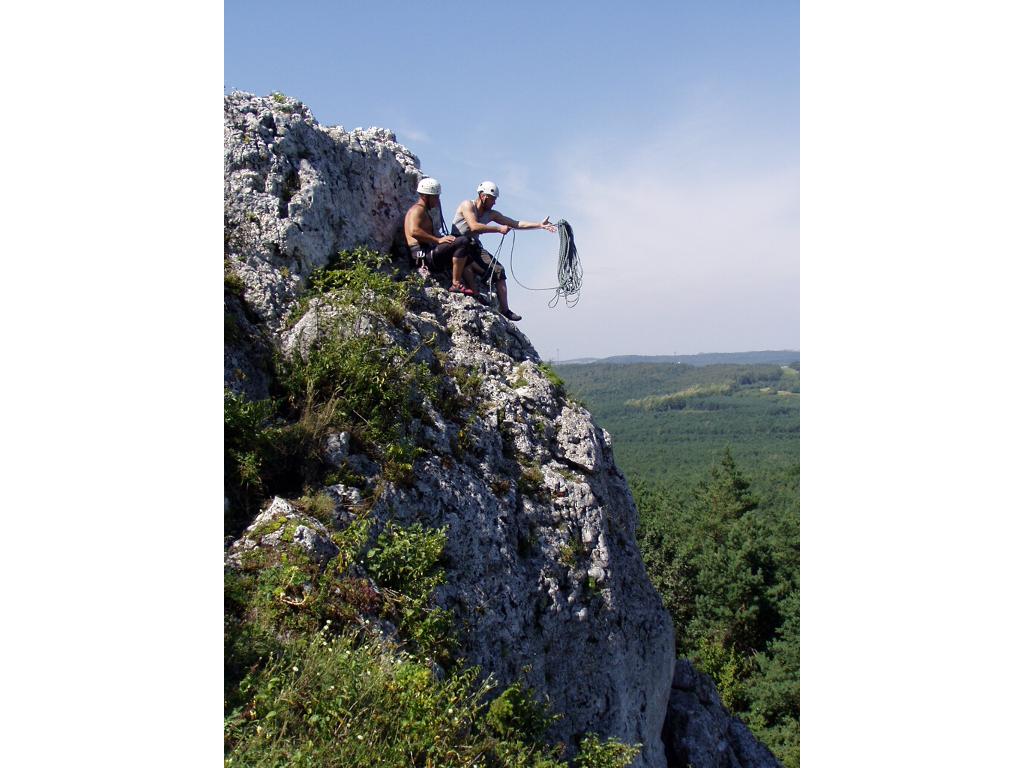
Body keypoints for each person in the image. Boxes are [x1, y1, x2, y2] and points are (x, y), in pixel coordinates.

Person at [450, 181, 556, 321]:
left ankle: (505, 309)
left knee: (499, 270)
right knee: (469, 264)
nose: (494, 203)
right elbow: (474, 226)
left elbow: (516, 223)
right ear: (484, 197)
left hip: (474, 245)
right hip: (459, 243)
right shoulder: (467, 205)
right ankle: (473, 289)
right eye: (493, 199)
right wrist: (498, 229)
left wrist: (539, 225)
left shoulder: (491, 214)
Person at [403, 177, 479, 296]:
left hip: (426, 253)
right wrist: (438, 240)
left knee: (466, 250)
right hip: (422, 255)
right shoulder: (417, 210)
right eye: (435, 197)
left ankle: (474, 291)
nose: (437, 201)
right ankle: (456, 283)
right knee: (463, 241)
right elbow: (414, 231)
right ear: (425, 196)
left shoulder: (423, 210)